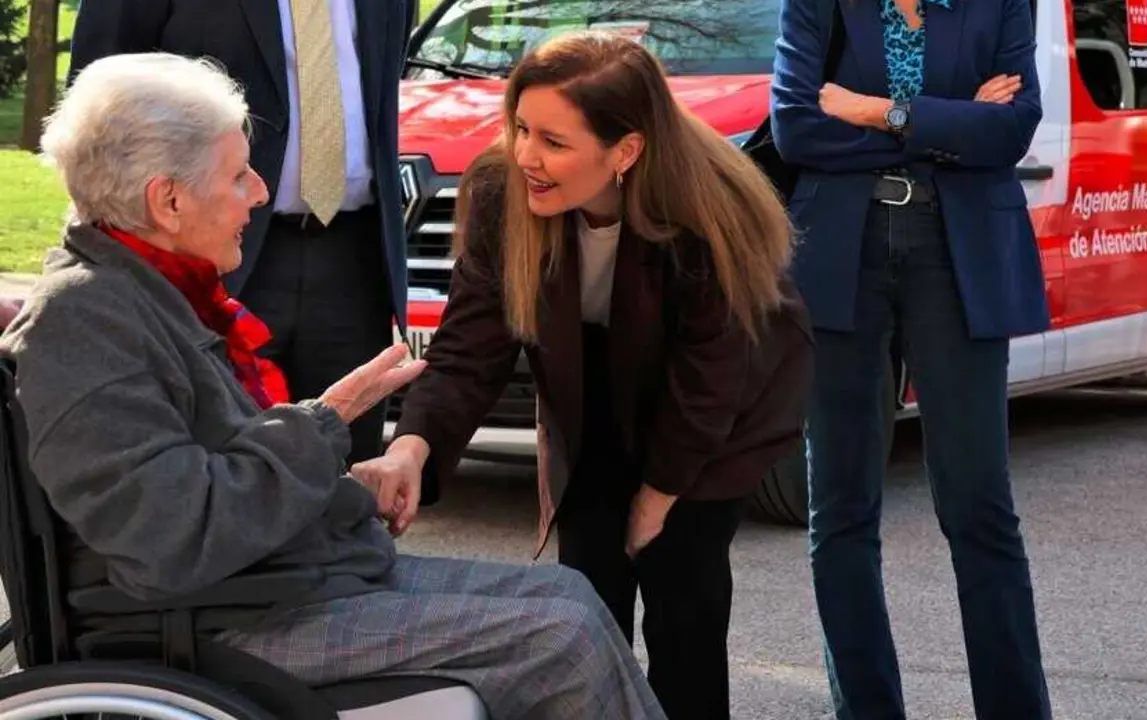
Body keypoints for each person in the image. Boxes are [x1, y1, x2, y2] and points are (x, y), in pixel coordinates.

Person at [0, 52, 667, 720]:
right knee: (562, 639)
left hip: (271, 588)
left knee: (569, 596)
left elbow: (212, 476)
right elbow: (172, 538)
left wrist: (340, 484)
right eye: (238, 175)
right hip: (218, 622)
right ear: (167, 200)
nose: (261, 192)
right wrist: (326, 420)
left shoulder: (145, 296)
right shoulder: (81, 321)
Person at [351, 30, 814, 720]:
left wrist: (656, 502)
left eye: (555, 143)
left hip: (716, 411)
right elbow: (471, 343)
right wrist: (411, 446)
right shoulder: (501, 189)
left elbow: (711, 376)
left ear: (625, 151)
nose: (528, 157)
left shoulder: (708, 207)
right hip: (593, 393)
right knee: (584, 604)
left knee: (684, 603)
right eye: (521, 129)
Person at [768, 0, 1054, 718]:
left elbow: (1014, 127)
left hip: (959, 256)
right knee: (840, 507)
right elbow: (795, 126)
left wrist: (876, 111)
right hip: (841, 255)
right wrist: (947, 121)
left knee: (978, 503)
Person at [68, 0, 416, 465]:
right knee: (214, 470)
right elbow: (98, 107)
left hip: (355, 259)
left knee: (342, 476)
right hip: (201, 259)